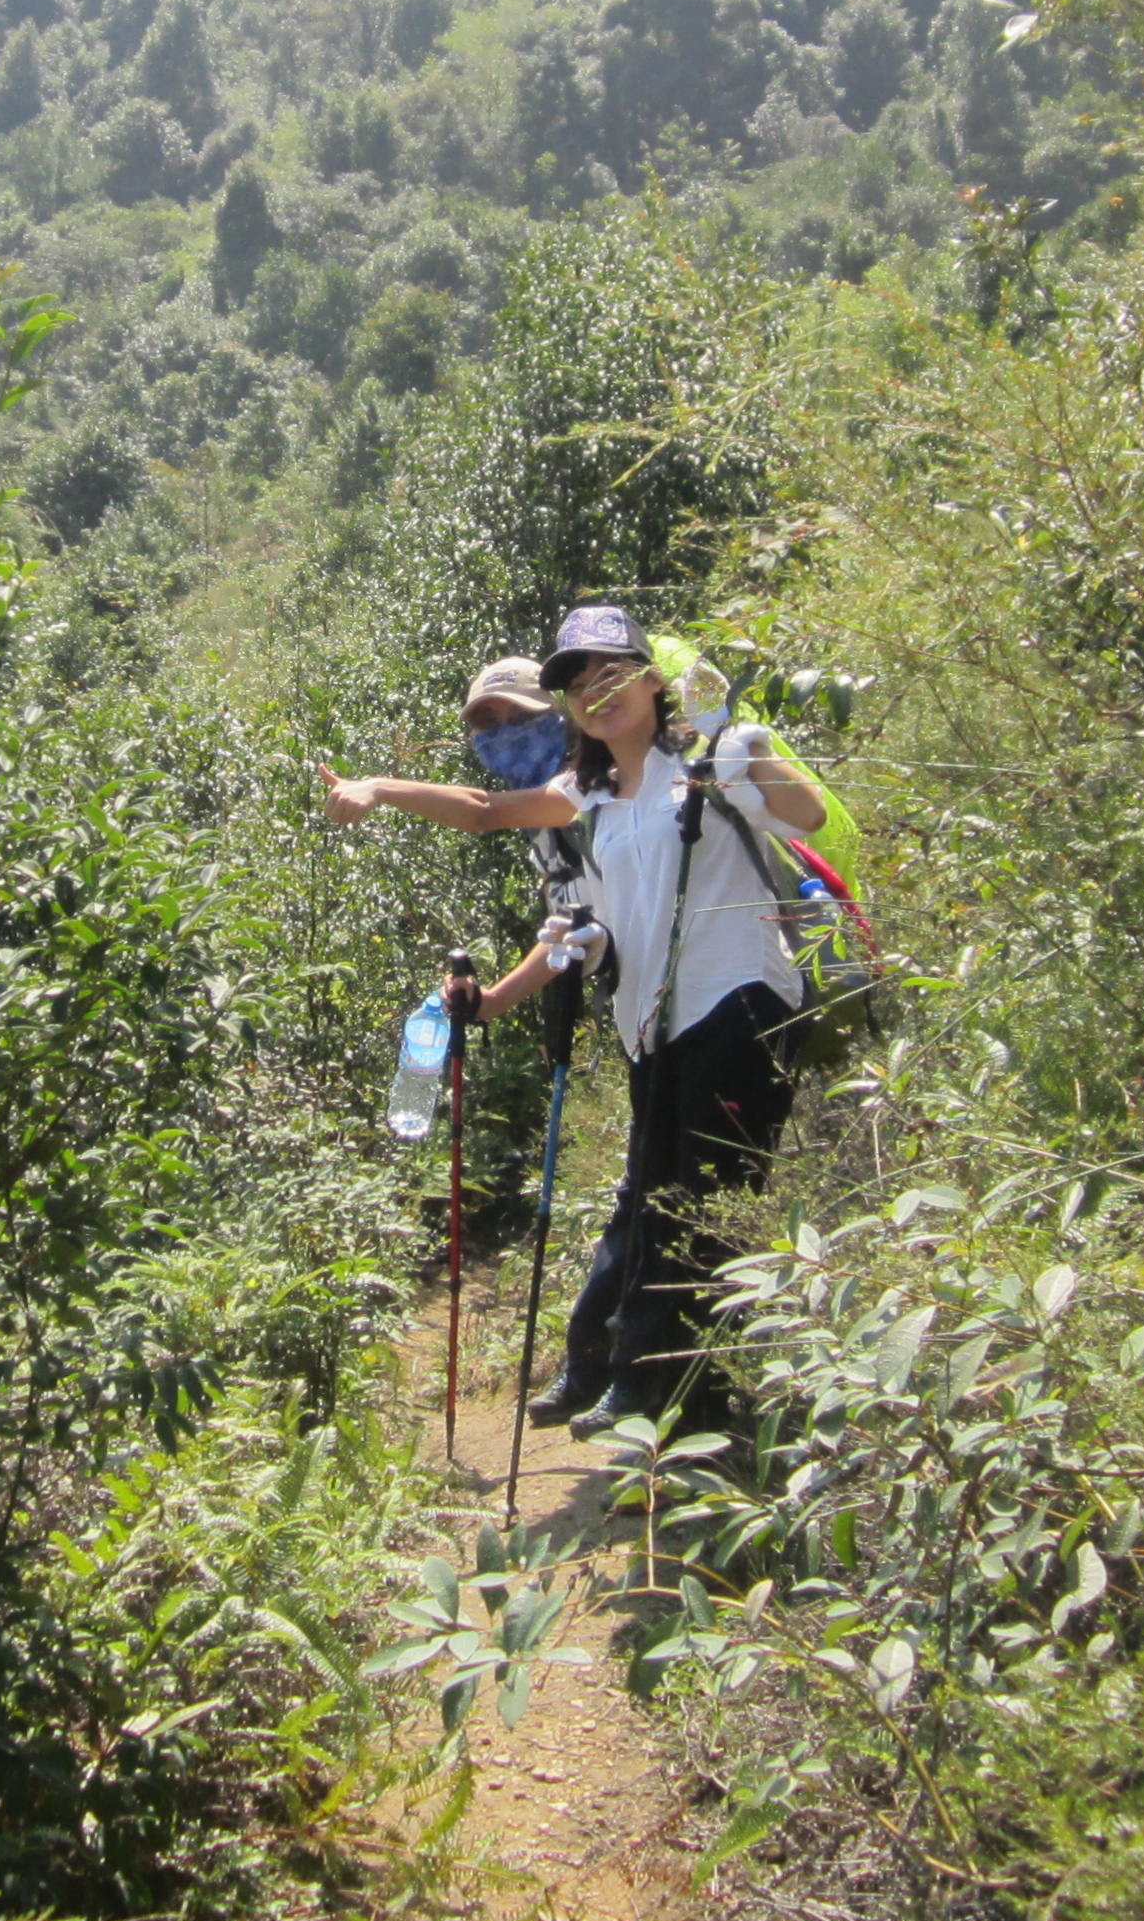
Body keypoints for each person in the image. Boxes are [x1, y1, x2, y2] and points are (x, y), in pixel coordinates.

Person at [323, 602, 827, 1428]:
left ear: (656, 680)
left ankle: (666, 1411)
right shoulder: (585, 793)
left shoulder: (706, 759)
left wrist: (745, 744)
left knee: (696, 1215)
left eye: (614, 673)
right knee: (662, 1208)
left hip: (738, 1006)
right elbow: (486, 811)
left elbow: (803, 815)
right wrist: (378, 789)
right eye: (580, 685)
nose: (599, 693)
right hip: (654, 1028)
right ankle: (655, 1398)